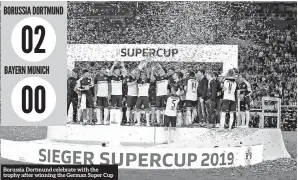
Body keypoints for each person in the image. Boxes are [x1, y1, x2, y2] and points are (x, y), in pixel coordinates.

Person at [108, 61, 127, 125]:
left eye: (119, 71)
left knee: (120, 108)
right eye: (117, 71)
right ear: (114, 71)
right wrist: (113, 65)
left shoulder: (121, 77)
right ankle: (112, 120)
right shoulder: (112, 77)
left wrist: (123, 66)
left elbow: (126, 74)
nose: (118, 72)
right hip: (113, 94)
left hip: (120, 94)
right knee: (112, 107)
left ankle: (120, 121)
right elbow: (109, 73)